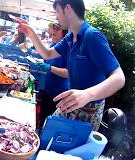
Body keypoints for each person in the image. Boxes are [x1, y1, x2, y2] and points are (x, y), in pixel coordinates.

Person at [18, 0, 125, 131]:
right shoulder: (70, 37)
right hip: (70, 102)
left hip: (89, 109)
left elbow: (119, 78)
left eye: (57, 12)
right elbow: (47, 53)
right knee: (47, 133)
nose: (56, 17)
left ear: (68, 9)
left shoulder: (91, 36)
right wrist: (31, 33)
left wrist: (87, 94)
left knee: (67, 149)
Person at [31, 23, 69, 126]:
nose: (52, 37)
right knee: (43, 115)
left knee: (51, 120)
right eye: (51, 34)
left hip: (59, 93)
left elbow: (69, 73)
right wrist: (37, 54)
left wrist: (50, 68)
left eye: (54, 35)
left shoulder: (68, 49)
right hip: (48, 89)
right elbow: (48, 57)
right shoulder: (53, 45)